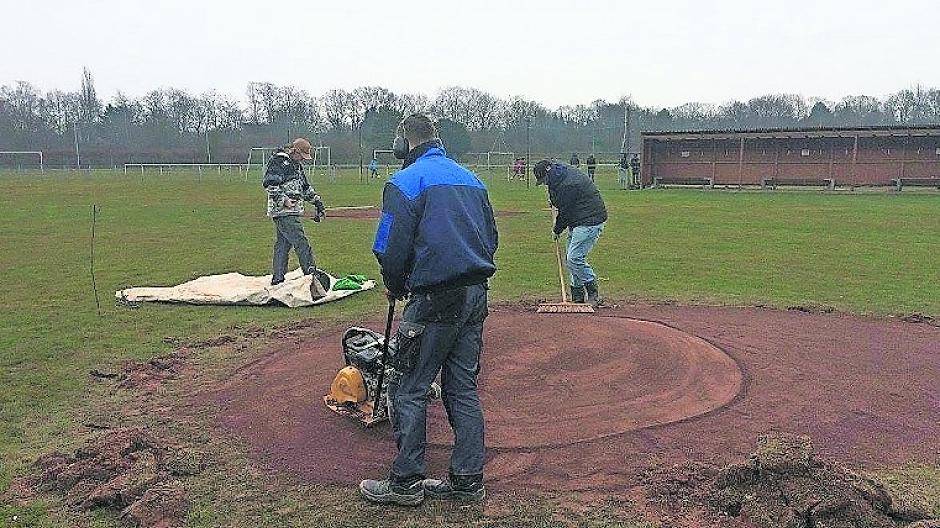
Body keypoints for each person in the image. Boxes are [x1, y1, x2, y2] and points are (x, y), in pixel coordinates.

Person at [361, 114, 498, 506]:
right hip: (475, 295)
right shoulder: (473, 180)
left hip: (435, 299)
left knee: (408, 389)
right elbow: (491, 239)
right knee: (463, 388)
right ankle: (467, 481)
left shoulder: (404, 183)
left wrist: (395, 284)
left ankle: (405, 483)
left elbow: (389, 247)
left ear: (404, 141)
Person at [533, 159, 607, 306]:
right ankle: (577, 296)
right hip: (578, 219)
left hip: (590, 220)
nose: (545, 184)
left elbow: (565, 212)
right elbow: (557, 197)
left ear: (548, 174)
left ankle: (593, 293)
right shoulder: (558, 176)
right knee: (572, 259)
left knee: (574, 259)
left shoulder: (568, 184)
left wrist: (557, 230)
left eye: (544, 180)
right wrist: (554, 201)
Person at [262, 137, 329, 300]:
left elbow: (305, 188)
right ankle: (312, 278)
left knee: (283, 245)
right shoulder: (279, 161)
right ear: (295, 151)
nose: (303, 160)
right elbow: (270, 183)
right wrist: (284, 199)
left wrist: (317, 201)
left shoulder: (296, 165)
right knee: (301, 242)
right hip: (283, 211)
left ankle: (278, 280)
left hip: (292, 211)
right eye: (302, 156)